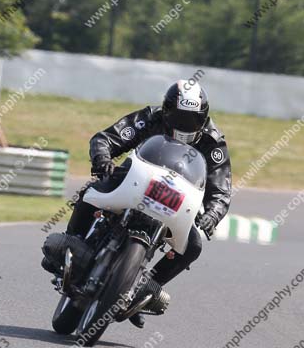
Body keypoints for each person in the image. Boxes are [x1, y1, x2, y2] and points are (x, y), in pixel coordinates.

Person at [60, 80, 232, 328]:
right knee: (91, 191)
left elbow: (222, 190)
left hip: (175, 200)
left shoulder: (212, 142)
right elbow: (106, 138)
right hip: (135, 180)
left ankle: (142, 289)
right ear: (167, 110)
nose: (185, 125)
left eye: (192, 120)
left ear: (203, 119)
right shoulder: (150, 118)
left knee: (193, 246)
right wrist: (103, 159)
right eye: (179, 117)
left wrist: (212, 215)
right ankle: (71, 241)